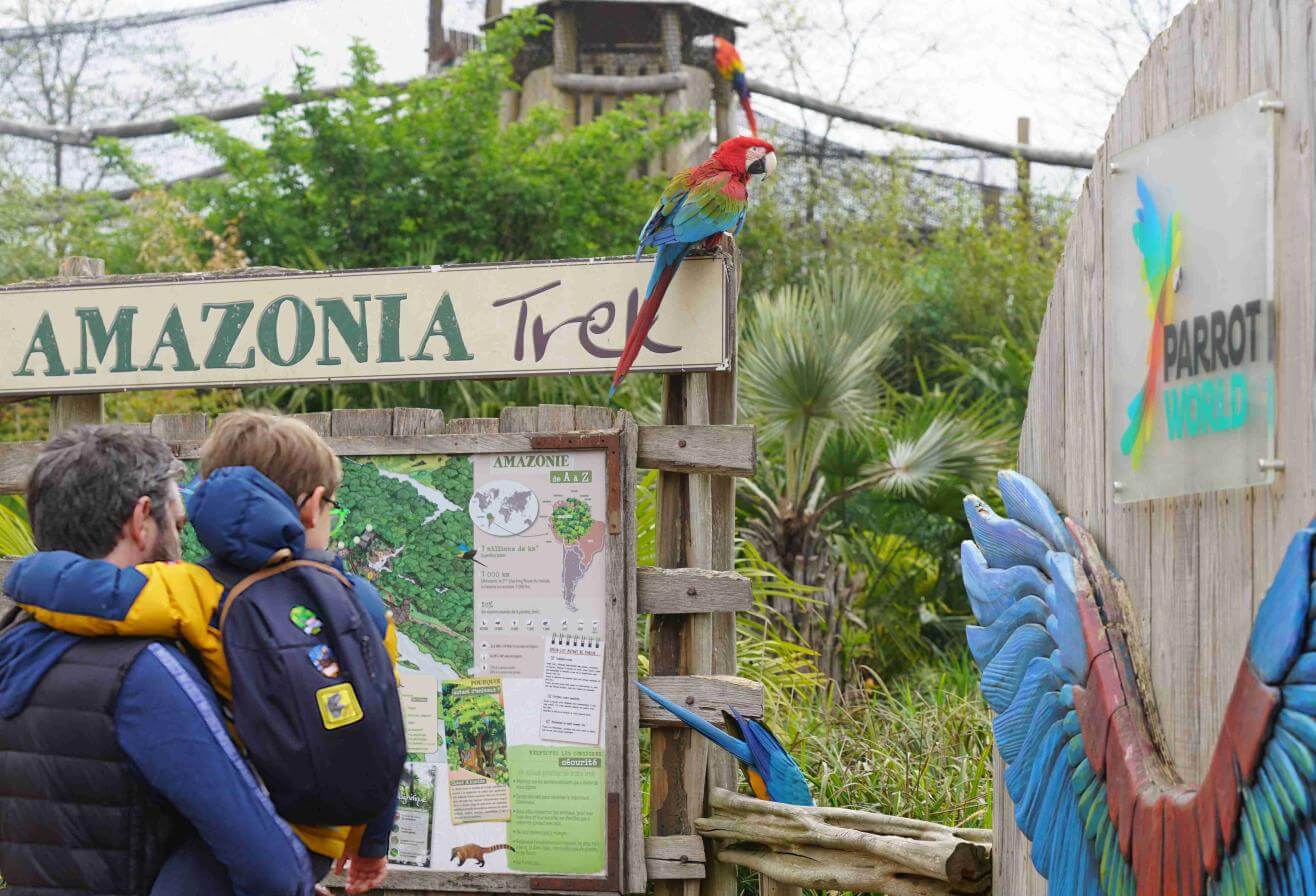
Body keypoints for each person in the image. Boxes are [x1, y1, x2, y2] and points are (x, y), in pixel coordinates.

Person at [8, 412, 403, 894]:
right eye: (176, 523)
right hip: (313, 832)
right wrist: (368, 845)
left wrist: (26, 575)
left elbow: (103, 596)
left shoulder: (196, 592)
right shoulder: (358, 599)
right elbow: (385, 734)